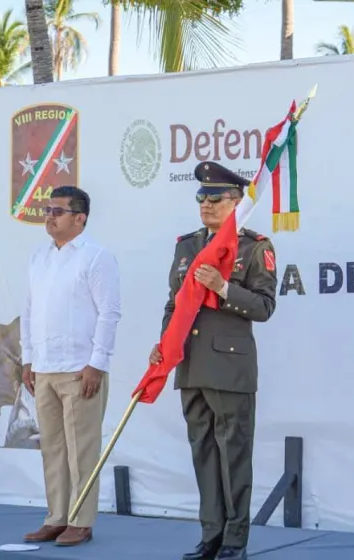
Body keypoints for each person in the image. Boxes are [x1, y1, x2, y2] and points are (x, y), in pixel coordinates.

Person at [150, 161, 278, 560]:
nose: (205, 204)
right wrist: (164, 343)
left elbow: (264, 307)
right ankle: (211, 536)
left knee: (233, 456)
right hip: (189, 364)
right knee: (203, 453)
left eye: (215, 198)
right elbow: (175, 303)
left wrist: (223, 287)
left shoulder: (254, 246)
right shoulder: (187, 245)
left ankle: (235, 540)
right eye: (201, 197)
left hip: (230, 367)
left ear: (237, 202)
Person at [20, 186, 122, 547]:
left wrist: (97, 363)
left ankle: (81, 520)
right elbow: (29, 311)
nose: (49, 217)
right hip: (44, 367)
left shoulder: (96, 257)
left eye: (58, 211)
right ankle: (56, 517)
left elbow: (109, 313)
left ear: (80, 218)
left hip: (81, 368)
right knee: (52, 449)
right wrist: (28, 359)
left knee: (82, 450)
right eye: (48, 210)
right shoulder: (39, 257)